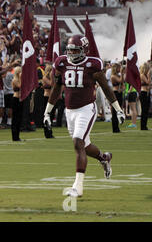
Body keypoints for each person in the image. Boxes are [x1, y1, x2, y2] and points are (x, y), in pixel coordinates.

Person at [43, 35, 125, 198]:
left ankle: (78, 187)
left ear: (84, 50)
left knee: (77, 142)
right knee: (84, 146)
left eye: (75, 49)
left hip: (86, 109)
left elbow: (106, 88)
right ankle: (104, 158)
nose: (72, 53)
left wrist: (118, 109)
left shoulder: (92, 65)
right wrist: (47, 111)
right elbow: (57, 88)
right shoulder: (62, 63)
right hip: (69, 110)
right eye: (70, 49)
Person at [110, 62, 124, 133]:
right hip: (115, 93)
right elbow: (120, 80)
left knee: (119, 110)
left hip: (119, 93)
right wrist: (122, 73)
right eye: (119, 68)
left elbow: (122, 81)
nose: (120, 69)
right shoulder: (113, 76)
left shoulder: (117, 75)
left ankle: (117, 128)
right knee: (114, 111)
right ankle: (115, 128)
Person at [42, 64, 55, 139]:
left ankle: (50, 131)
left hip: (52, 97)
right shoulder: (45, 78)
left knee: (51, 115)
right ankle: (47, 132)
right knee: (47, 115)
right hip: (46, 97)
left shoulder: (52, 77)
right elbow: (51, 84)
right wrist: (51, 76)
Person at [11, 66, 23, 142]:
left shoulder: (19, 79)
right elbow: (20, 86)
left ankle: (17, 136)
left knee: (19, 118)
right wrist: (21, 77)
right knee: (15, 118)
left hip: (20, 99)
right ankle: (14, 136)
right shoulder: (15, 80)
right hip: (15, 99)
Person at [139, 62, 151, 130]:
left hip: (147, 92)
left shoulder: (145, 75)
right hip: (143, 93)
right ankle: (143, 126)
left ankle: (145, 125)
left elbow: (149, 85)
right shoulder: (142, 75)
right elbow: (148, 82)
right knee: (144, 110)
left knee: (146, 110)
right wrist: (149, 76)